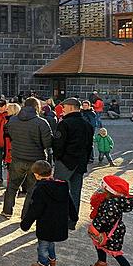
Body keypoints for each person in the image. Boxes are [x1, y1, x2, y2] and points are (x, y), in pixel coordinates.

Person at [20, 160, 76, 266]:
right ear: (51, 172)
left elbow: (35, 209)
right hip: (59, 223)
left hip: (46, 223)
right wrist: (74, 217)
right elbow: (70, 202)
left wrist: (25, 224)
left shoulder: (40, 189)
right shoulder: (63, 185)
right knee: (51, 244)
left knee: (43, 246)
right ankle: (52, 263)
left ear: (37, 175)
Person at [1, 97, 52, 218]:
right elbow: (48, 143)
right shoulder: (41, 122)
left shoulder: (13, 120)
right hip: (36, 160)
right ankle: (26, 215)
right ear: (37, 107)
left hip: (18, 157)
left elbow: (9, 135)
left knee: (12, 185)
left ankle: (7, 211)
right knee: (32, 189)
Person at [88, 175, 133, 266]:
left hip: (112, 232)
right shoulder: (112, 200)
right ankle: (101, 264)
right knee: (99, 244)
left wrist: (96, 227)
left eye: (103, 186)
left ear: (109, 190)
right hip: (110, 230)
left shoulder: (111, 204)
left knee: (116, 253)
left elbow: (105, 220)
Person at [52, 97, 94, 229]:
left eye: (64, 107)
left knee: (59, 192)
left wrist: (57, 159)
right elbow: (89, 146)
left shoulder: (64, 124)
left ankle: (59, 219)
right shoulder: (87, 124)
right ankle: (71, 221)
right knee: (76, 193)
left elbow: (58, 145)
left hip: (64, 163)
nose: (62, 110)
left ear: (70, 107)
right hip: (80, 163)